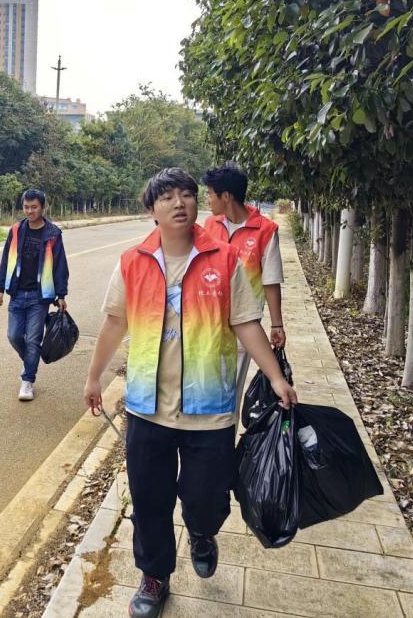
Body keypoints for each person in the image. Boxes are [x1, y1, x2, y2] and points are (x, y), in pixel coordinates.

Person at [82, 168, 298, 617]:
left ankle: (202, 532)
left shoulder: (224, 258)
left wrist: (276, 377)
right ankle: (154, 575)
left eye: (186, 195)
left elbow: (245, 323)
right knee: (149, 500)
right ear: (152, 210)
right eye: (167, 197)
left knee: (205, 498)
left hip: (209, 407)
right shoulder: (133, 262)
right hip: (148, 407)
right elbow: (115, 322)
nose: (179, 203)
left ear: (197, 203)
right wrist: (94, 377)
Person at [202, 162, 285, 398]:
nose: (207, 199)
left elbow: (270, 281)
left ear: (226, 196)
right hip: (206, 322)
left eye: (209, 193)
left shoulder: (265, 230)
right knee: (203, 392)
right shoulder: (210, 225)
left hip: (242, 326)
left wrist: (276, 325)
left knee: (230, 396)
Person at [0, 189, 69, 401]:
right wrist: (0, 290)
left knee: (33, 339)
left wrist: (61, 294)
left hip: (39, 296)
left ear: (43, 207)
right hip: (17, 293)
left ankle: (27, 380)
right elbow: (6, 259)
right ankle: (30, 360)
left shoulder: (53, 234)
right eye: (26, 207)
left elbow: (60, 266)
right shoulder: (16, 230)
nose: (29, 211)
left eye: (34, 207)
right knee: (14, 336)